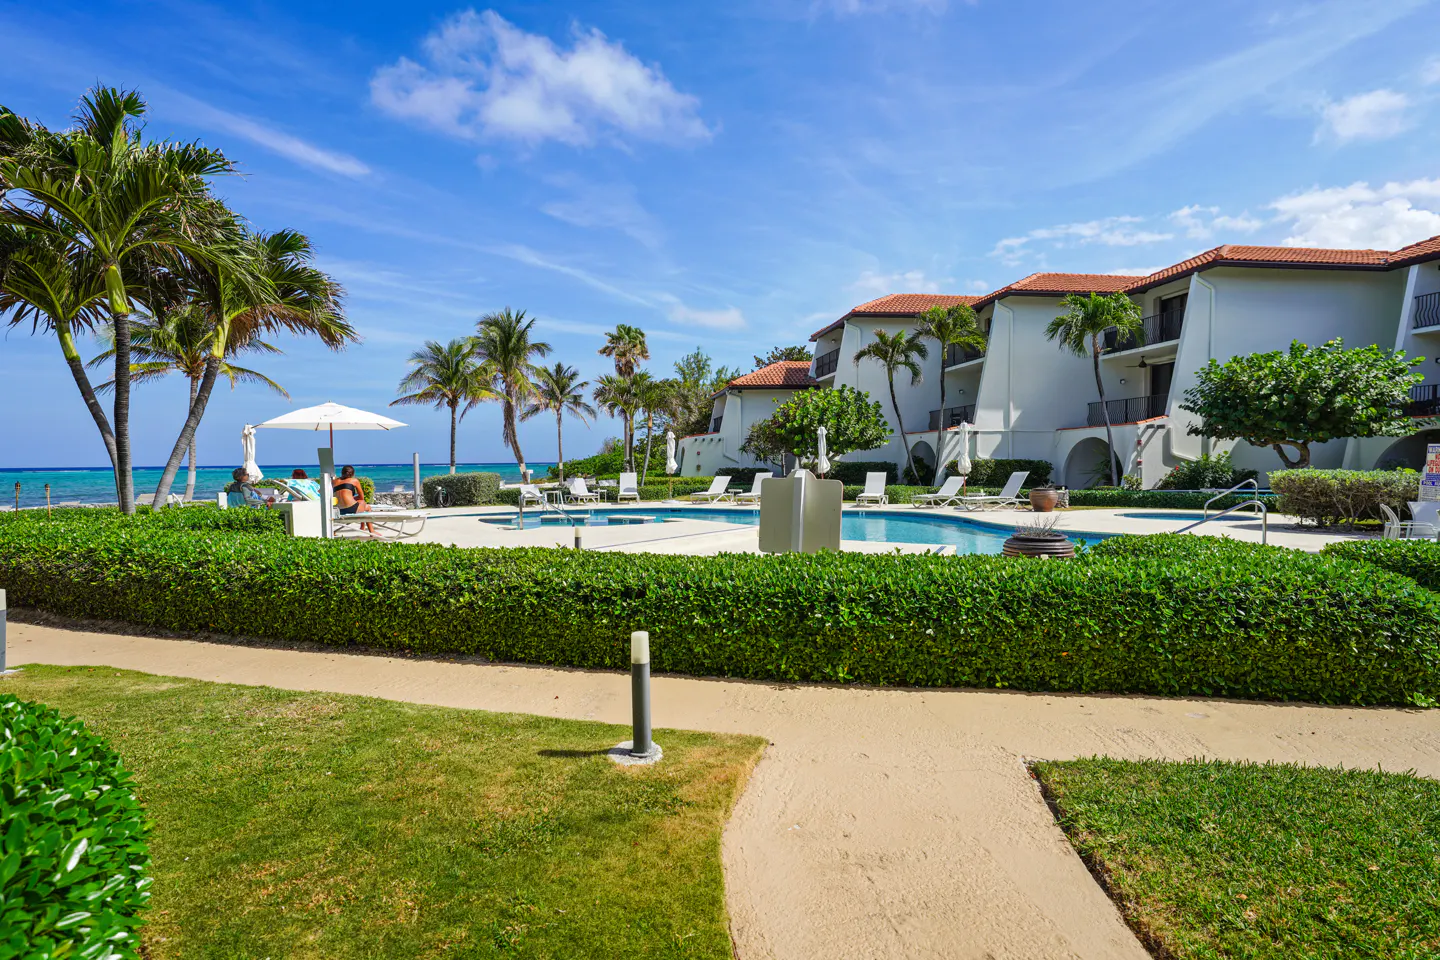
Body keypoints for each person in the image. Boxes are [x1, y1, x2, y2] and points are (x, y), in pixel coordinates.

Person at [334, 464, 376, 535]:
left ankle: (362, 527)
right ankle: (371, 531)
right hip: (351, 509)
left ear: (342, 472)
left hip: (338, 510)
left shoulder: (334, 481)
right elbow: (361, 497)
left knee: (361, 503)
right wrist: (352, 498)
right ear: (353, 474)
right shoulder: (354, 480)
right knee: (365, 505)